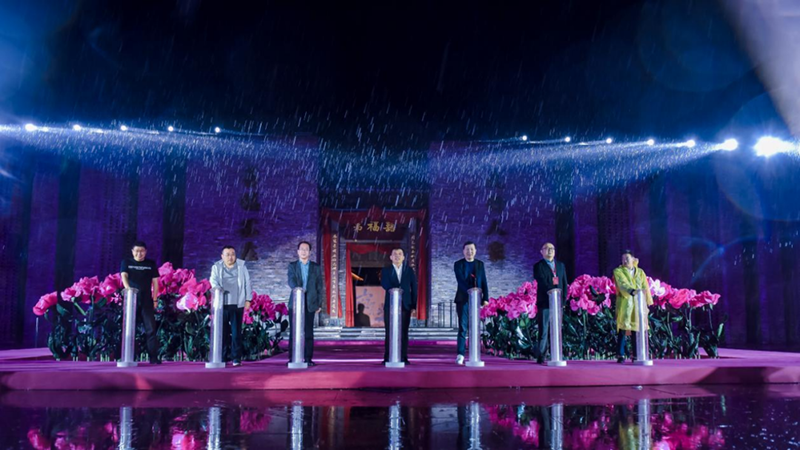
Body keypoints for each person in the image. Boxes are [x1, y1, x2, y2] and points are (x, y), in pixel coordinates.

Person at [210, 246, 252, 367]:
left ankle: (236, 358)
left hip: (237, 304)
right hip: (221, 305)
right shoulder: (216, 267)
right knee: (222, 332)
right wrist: (218, 289)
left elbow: (247, 283)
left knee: (236, 332)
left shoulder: (241, 266)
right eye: (227, 254)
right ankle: (222, 357)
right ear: (222, 256)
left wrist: (248, 299)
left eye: (232, 254)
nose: (230, 257)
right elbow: (213, 281)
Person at [120, 240, 161, 364]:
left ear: (146, 252)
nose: (139, 253)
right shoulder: (126, 262)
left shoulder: (150, 264)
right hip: (131, 300)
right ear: (132, 251)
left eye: (142, 251)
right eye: (137, 251)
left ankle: (153, 357)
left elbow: (155, 283)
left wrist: (155, 299)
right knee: (129, 328)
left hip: (146, 301)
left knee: (151, 329)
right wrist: (129, 290)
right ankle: (128, 356)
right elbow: (124, 276)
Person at [287, 240, 325, 366]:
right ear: (298, 252)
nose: (304, 251)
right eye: (302, 249)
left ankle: (308, 358)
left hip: (310, 303)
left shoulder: (315, 267)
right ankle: (292, 357)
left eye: (306, 249)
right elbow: (291, 280)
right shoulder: (292, 266)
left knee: (308, 332)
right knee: (294, 332)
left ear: (309, 252)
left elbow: (319, 286)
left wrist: (319, 303)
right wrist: (298, 289)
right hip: (296, 302)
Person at [612, 250, 653, 363]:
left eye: (627, 258)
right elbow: (622, 284)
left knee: (637, 328)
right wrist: (632, 291)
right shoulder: (618, 271)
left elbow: (645, 286)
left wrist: (648, 300)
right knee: (623, 328)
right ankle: (620, 355)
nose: (625, 261)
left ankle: (636, 355)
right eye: (623, 259)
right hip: (625, 303)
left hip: (638, 303)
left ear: (633, 259)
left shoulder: (640, 272)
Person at [532, 242, 569, 364]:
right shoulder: (538, 266)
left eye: (552, 248)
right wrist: (552, 291)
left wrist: (563, 300)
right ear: (541, 252)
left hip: (558, 303)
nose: (550, 250)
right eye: (547, 248)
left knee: (557, 329)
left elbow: (564, 283)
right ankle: (541, 355)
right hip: (545, 302)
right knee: (543, 330)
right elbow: (541, 281)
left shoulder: (560, 265)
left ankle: (556, 354)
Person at [453, 241, 489, 365]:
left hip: (476, 300)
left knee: (475, 327)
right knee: (463, 327)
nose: (470, 252)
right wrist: (471, 292)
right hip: (463, 300)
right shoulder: (458, 264)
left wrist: (485, 298)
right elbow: (460, 281)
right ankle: (460, 354)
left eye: (472, 249)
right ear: (463, 251)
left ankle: (475, 353)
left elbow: (483, 281)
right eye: (467, 249)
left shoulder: (480, 264)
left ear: (475, 251)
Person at [381, 247, 417, 365]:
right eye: (395, 254)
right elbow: (384, 284)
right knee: (389, 332)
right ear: (391, 257)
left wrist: (414, 305)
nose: (397, 256)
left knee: (404, 332)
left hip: (405, 305)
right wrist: (395, 290)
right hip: (390, 306)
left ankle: (403, 357)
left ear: (403, 257)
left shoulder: (409, 270)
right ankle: (388, 357)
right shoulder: (386, 270)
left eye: (400, 254)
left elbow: (414, 287)